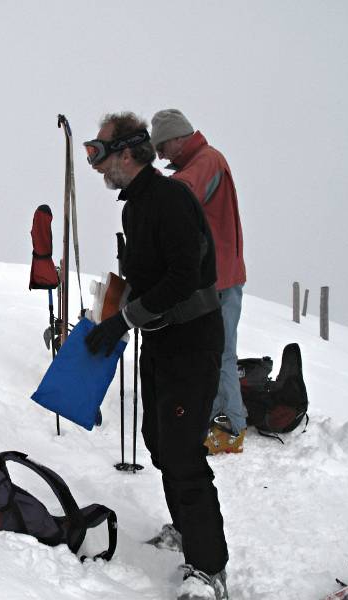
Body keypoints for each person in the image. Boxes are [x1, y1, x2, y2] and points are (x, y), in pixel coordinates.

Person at [83, 112, 229, 599]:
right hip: (161, 338)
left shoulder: (169, 198)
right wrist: (112, 312)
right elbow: (148, 278)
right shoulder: (135, 207)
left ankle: (209, 569)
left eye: (100, 153)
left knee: (184, 450)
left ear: (128, 153)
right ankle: (187, 530)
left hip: (192, 338)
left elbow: (184, 276)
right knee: (160, 440)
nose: (96, 165)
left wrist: (126, 319)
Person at [151, 109, 248, 455]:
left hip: (220, 280)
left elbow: (184, 193)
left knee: (219, 354)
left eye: (162, 147)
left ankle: (233, 428)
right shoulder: (202, 161)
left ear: (179, 138)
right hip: (220, 277)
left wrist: (145, 185)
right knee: (212, 353)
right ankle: (213, 418)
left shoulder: (206, 161)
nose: (160, 155)